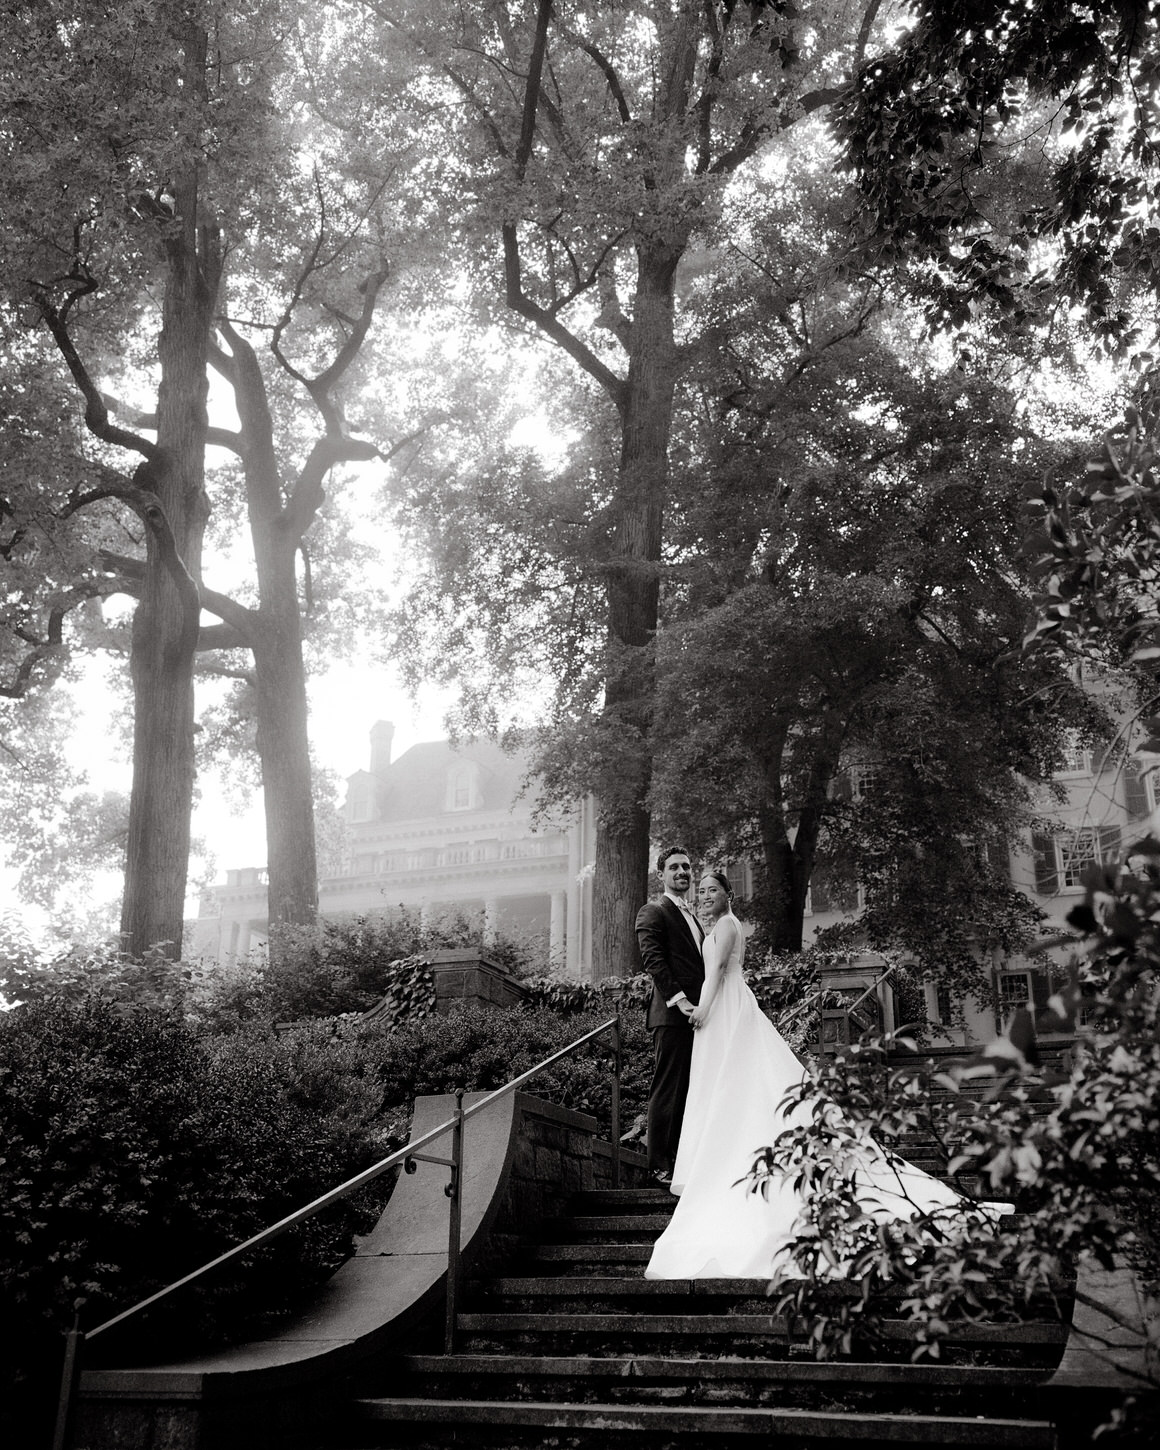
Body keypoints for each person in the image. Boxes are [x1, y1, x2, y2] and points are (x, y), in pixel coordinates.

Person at [645, 869, 980, 1280]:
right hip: (726, 1008)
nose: (705, 896)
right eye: (703, 892)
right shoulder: (712, 925)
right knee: (730, 1087)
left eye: (713, 889)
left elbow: (713, 975)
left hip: (722, 1009)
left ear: (730, 894)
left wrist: (701, 1010)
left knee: (733, 1084)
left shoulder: (727, 927)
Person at [635, 846, 704, 1185]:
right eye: (675, 867)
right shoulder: (653, 911)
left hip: (700, 1017)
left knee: (692, 1090)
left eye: (687, 867)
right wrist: (680, 1001)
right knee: (668, 1088)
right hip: (673, 1015)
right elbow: (654, 961)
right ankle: (659, 1165)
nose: (682, 872)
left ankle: (682, 1161)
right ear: (660, 874)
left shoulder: (694, 917)